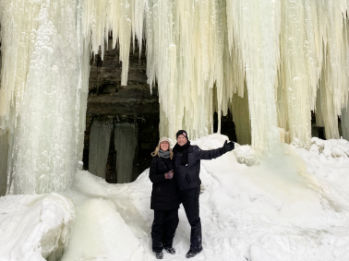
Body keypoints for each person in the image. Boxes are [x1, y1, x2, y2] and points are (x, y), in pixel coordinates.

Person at [172, 130, 235, 258]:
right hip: (177, 189)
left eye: (183, 137)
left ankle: (196, 246)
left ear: (186, 138)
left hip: (191, 190)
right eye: (178, 137)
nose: (181, 139)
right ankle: (167, 240)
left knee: (193, 219)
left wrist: (224, 149)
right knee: (170, 214)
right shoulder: (175, 152)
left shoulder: (194, 150)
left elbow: (210, 154)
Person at [149, 137, 180, 259]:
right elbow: (152, 177)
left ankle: (168, 244)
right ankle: (157, 247)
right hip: (160, 196)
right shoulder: (155, 160)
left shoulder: (173, 158)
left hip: (172, 196)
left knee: (173, 222)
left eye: (167, 143)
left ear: (169, 145)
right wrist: (164, 176)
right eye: (163, 143)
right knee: (159, 223)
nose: (165, 144)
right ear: (159, 145)